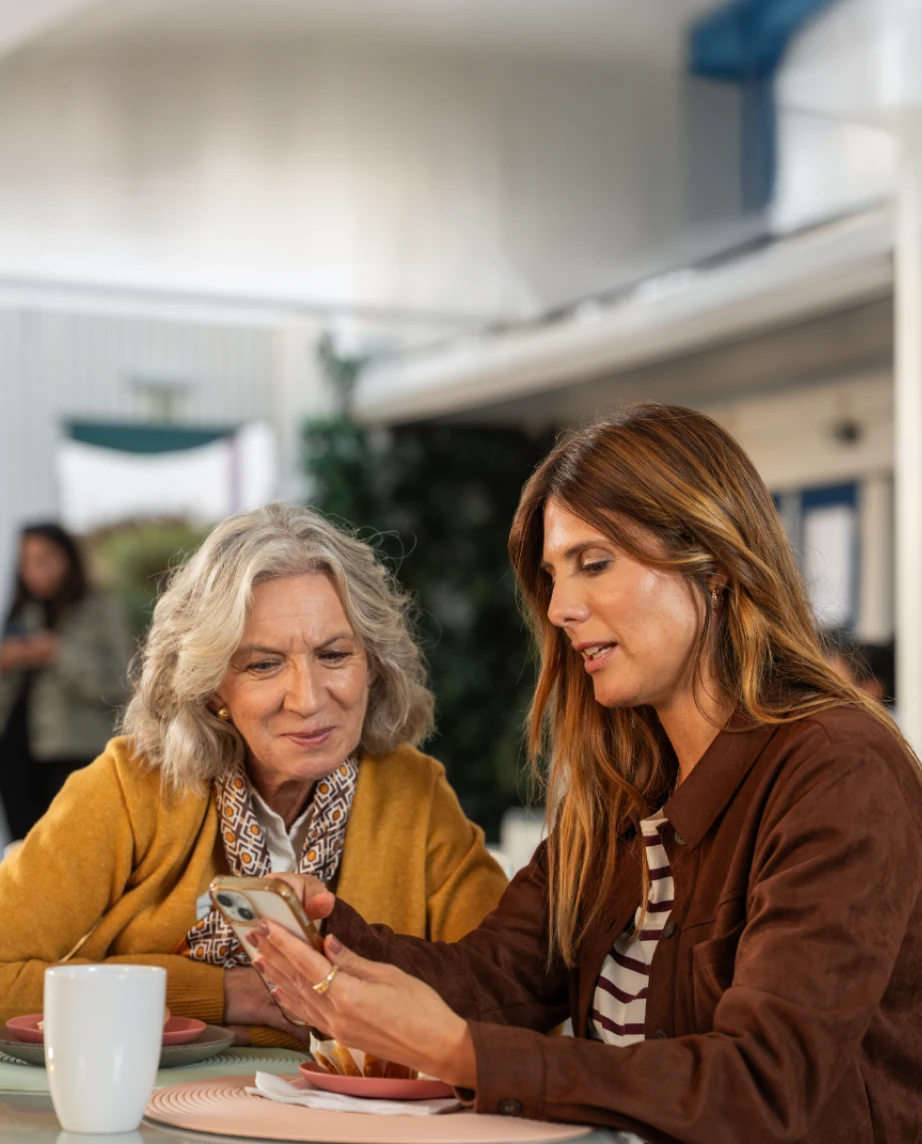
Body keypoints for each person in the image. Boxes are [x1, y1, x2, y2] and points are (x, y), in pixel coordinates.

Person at [251, 405, 922, 1143]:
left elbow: (764, 1085)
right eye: (552, 575)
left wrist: (455, 1051)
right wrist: (328, 943)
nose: (563, 609)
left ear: (717, 564)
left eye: (594, 562)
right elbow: (496, 982)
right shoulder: (622, 789)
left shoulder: (837, 770)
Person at [0, 504, 507, 1046]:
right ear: (212, 684)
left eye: (334, 654)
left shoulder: (415, 792)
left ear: (374, 663)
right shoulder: (129, 788)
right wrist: (236, 993)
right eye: (264, 664)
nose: (309, 700)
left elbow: (509, 990)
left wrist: (137, 974)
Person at [0, 523, 133, 840]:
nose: (35, 569)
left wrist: (58, 654)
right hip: (17, 749)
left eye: (45, 558)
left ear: (69, 560)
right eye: (27, 560)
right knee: (23, 849)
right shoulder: (22, 611)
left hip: (75, 751)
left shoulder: (100, 609)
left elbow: (123, 683)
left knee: (74, 846)